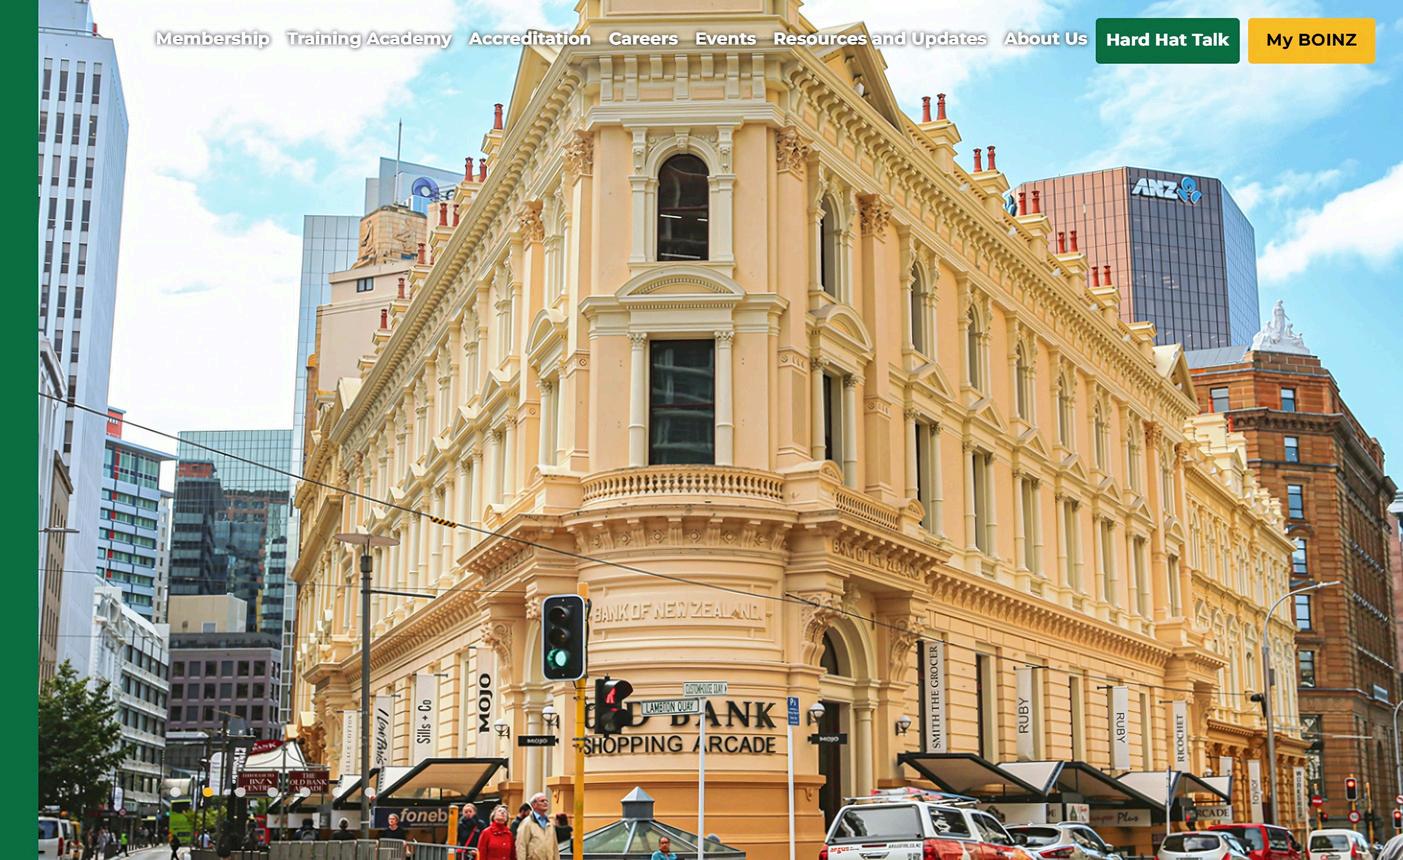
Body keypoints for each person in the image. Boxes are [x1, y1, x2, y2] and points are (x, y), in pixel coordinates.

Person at [515, 792, 561, 860]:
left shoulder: (550, 824)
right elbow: (521, 846)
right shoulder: (526, 823)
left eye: (546, 801)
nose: (545, 802)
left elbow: (555, 847)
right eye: (542, 801)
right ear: (534, 805)